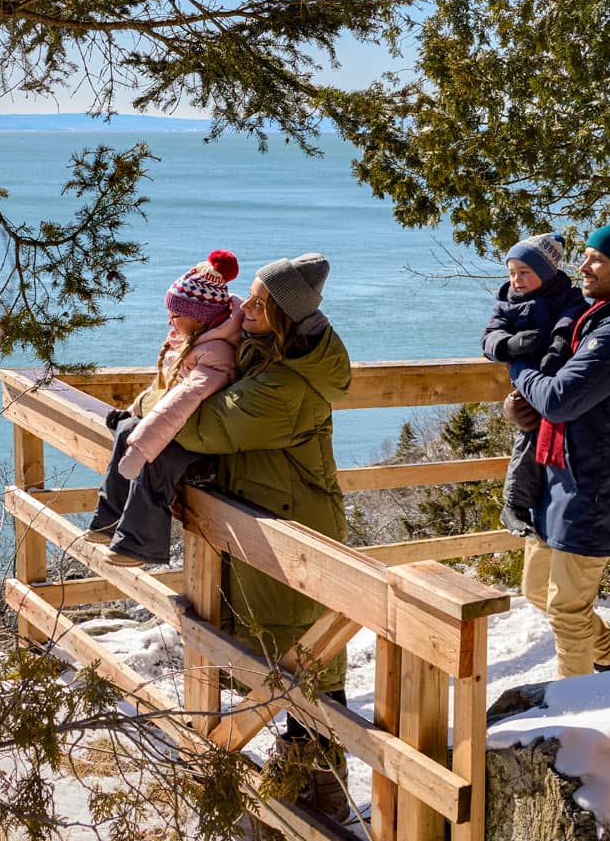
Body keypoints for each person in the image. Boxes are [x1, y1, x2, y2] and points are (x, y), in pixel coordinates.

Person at [174, 253, 355, 827]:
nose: (243, 307)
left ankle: (326, 801)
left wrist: (158, 407)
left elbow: (204, 425)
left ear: (282, 314)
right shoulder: (268, 352)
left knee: (309, 666)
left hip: (295, 534)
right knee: (286, 663)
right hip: (264, 526)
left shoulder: (288, 386)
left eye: (256, 302)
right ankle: (304, 791)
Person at [503, 222, 610, 678]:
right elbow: (557, 398)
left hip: (595, 486)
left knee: (566, 608)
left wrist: (518, 367)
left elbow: (560, 397)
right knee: (538, 590)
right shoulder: (596, 315)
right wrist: (525, 406)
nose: (583, 265)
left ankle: (573, 717)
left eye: (596, 259)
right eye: (586, 255)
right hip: (559, 475)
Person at [88, 250, 245, 567]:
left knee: (154, 462)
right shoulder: (193, 342)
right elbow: (164, 390)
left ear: (199, 317)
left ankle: (138, 545)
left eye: (176, 315)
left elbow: (179, 402)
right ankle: (108, 520)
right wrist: (133, 414)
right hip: (184, 427)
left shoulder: (216, 354)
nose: (170, 321)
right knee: (125, 431)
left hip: (204, 442)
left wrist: (142, 445)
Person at [482, 232, 588, 538]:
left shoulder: (567, 297)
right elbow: (489, 338)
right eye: (512, 273)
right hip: (528, 382)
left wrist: (559, 341)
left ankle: (534, 506)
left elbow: (572, 317)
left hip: (556, 378)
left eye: (525, 272)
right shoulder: (506, 304)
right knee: (528, 436)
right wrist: (509, 345)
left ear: (545, 272)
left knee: (550, 440)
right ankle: (514, 504)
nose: (516, 280)